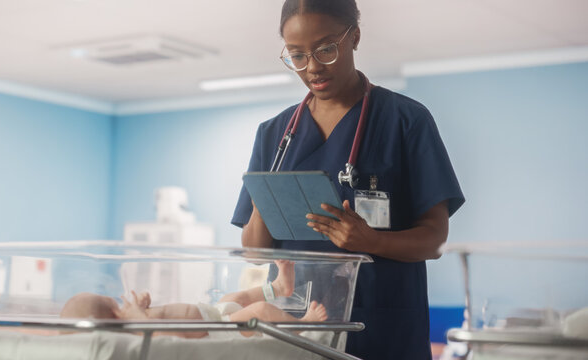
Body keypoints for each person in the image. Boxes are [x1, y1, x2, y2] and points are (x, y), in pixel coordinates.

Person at [231, 0, 465, 359]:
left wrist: (372, 241)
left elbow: (434, 240)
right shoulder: (274, 135)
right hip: (296, 332)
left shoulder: (407, 121)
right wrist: (269, 196)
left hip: (383, 331)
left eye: (326, 49)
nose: (312, 68)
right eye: (297, 55)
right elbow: (253, 253)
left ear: (353, 37)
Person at [60, 260, 328, 339]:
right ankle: (301, 326)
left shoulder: (134, 318)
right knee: (257, 309)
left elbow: (155, 314)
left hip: (211, 313)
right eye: (111, 304)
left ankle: (280, 287)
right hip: (216, 330)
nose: (119, 303)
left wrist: (143, 303)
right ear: (111, 320)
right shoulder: (134, 332)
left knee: (237, 296)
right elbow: (157, 336)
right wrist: (138, 316)